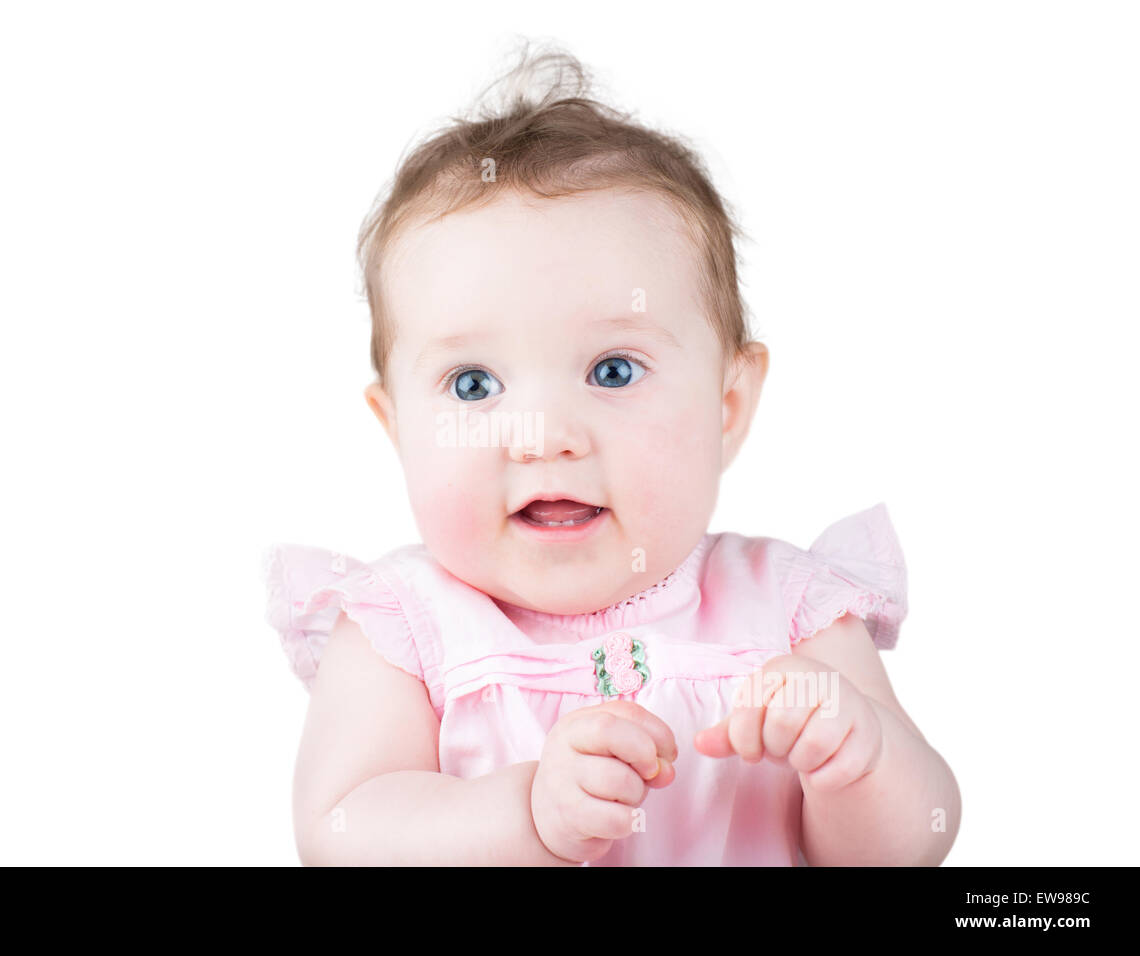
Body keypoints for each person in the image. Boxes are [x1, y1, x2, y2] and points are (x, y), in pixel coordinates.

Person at [264, 44, 960, 866]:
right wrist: (527, 812)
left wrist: (859, 761)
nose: (544, 436)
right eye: (474, 383)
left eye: (612, 371)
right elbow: (341, 833)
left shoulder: (792, 615)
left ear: (726, 407)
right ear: (397, 427)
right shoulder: (404, 631)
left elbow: (913, 845)